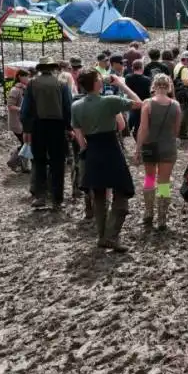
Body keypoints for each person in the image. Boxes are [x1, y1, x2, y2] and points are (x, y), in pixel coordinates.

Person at [72, 68, 142, 252]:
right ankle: (111, 236)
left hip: (92, 149)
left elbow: (77, 133)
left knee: (99, 195)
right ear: (96, 83)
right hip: (110, 148)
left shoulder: (76, 106)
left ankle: (102, 236)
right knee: (122, 190)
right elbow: (139, 103)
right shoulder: (109, 101)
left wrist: (85, 149)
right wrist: (121, 84)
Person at [20, 56, 73, 211]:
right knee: (58, 163)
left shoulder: (32, 84)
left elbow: (26, 109)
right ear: (52, 68)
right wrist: (69, 127)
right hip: (57, 127)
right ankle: (57, 199)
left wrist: (27, 129)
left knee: (39, 161)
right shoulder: (61, 84)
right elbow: (68, 107)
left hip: (38, 126)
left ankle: (40, 196)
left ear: (40, 69)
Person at [135, 74, 181, 230]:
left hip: (150, 146)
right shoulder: (175, 105)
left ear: (153, 86)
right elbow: (176, 131)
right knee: (164, 182)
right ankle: (162, 218)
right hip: (168, 146)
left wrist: (138, 148)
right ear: (168, 87)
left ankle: (148, 213)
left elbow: (143, 128)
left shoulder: (147, 104)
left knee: (149, 178)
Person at [7, 69, 30, 172]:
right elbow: (10, 106)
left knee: (26, 143)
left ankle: (20, 163)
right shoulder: (15, 90)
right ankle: (14, 161)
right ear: (20, 77)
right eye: (26, 76)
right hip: (17, 122)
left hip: (24, 122)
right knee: (25, 143)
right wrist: (22, 109)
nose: (27, 78)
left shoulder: (25, 89)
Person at [125, 59, 152, 140]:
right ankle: (138, 137)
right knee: (139, 123)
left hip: (132, 103)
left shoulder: (128, 77)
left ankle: (127, 132)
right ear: (142, 68)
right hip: (143, 104)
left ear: (133, 67)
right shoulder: (148, 80)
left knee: (131, 120)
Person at [173, 53, 188, 145]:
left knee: (181, 111)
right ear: (185, 59)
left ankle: (178, 132)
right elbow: (185, 82)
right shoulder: (185, 68)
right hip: (186, 93)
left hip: (178, 92)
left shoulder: (177, 65)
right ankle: (183, 133)